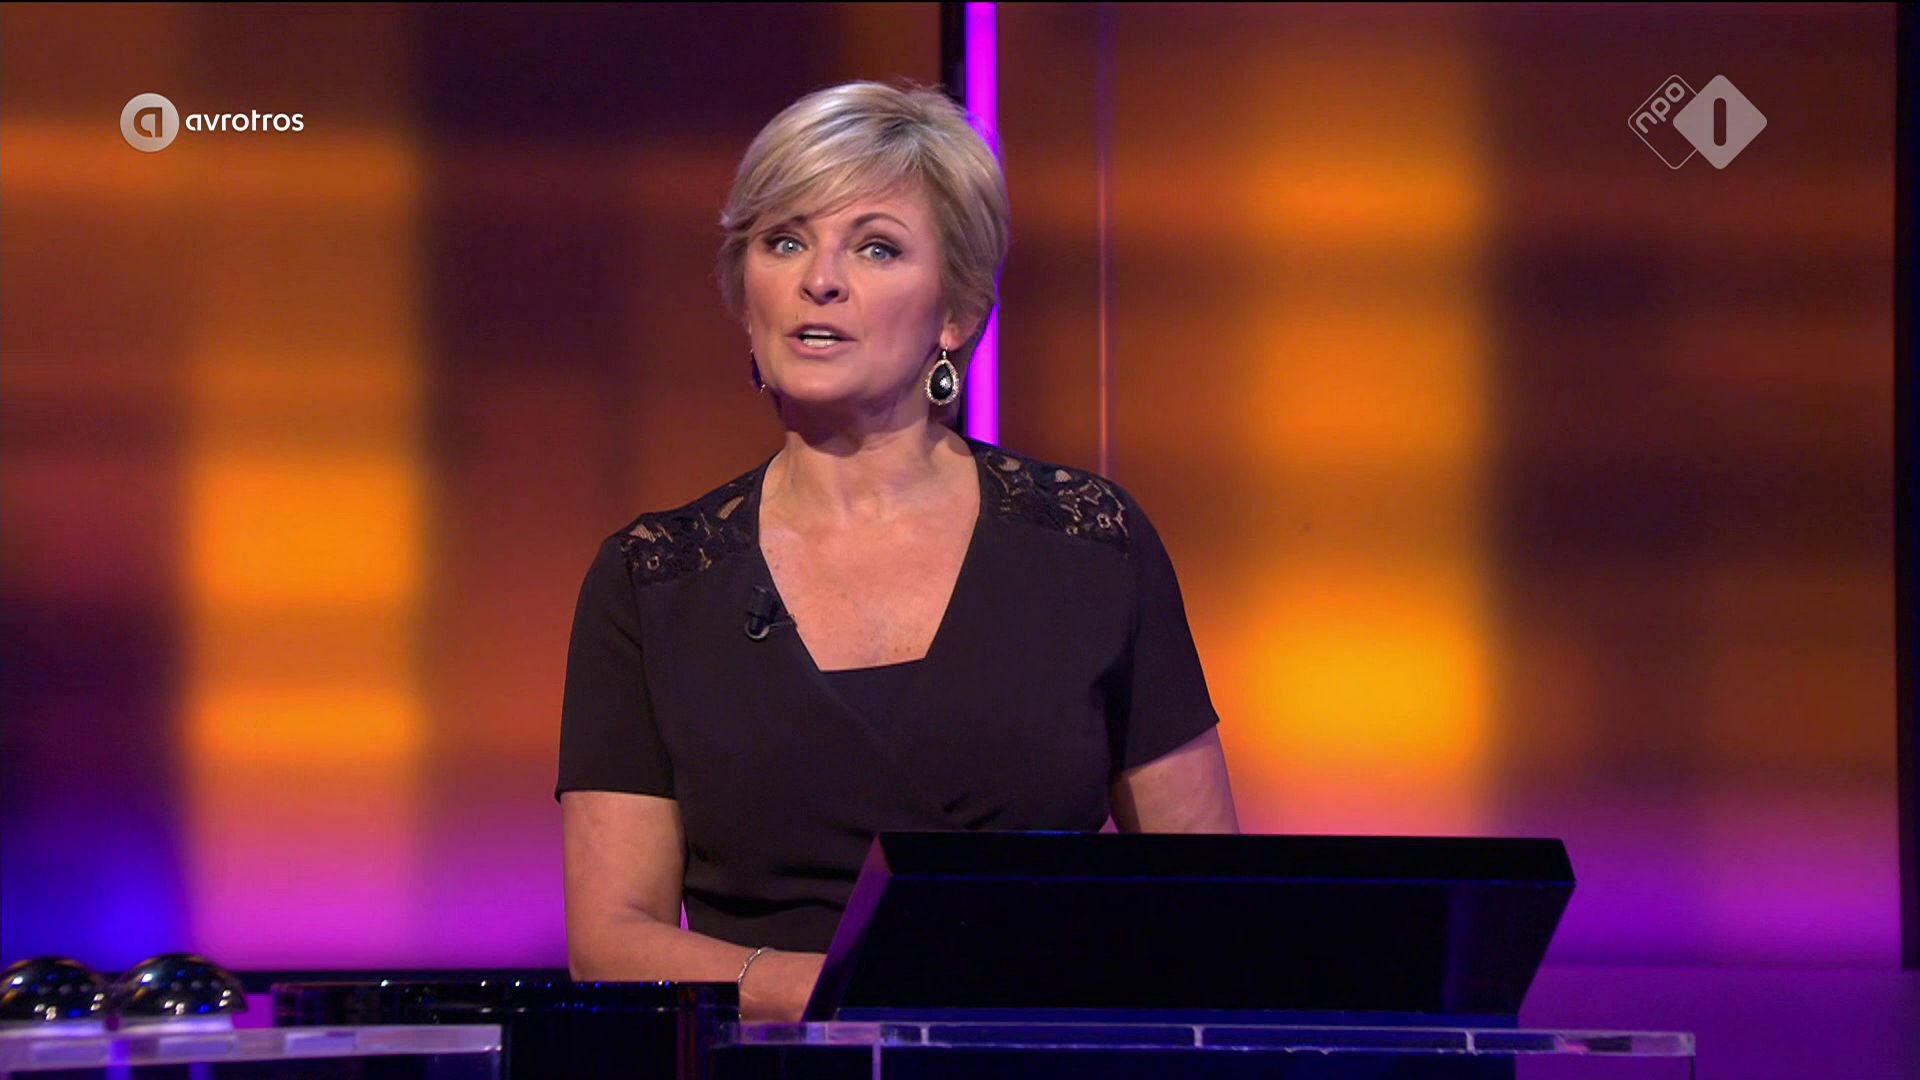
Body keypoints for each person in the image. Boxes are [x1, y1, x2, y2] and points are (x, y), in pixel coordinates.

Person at [556, 80, 1237, 1024]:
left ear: (955, 312)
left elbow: (1206, 903)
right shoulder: (654, 580)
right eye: (783, 241)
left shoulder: (1091, 542)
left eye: (875, 247)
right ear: (744, 294)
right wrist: (863, 996)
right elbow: (613, 939)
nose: (819, 280)